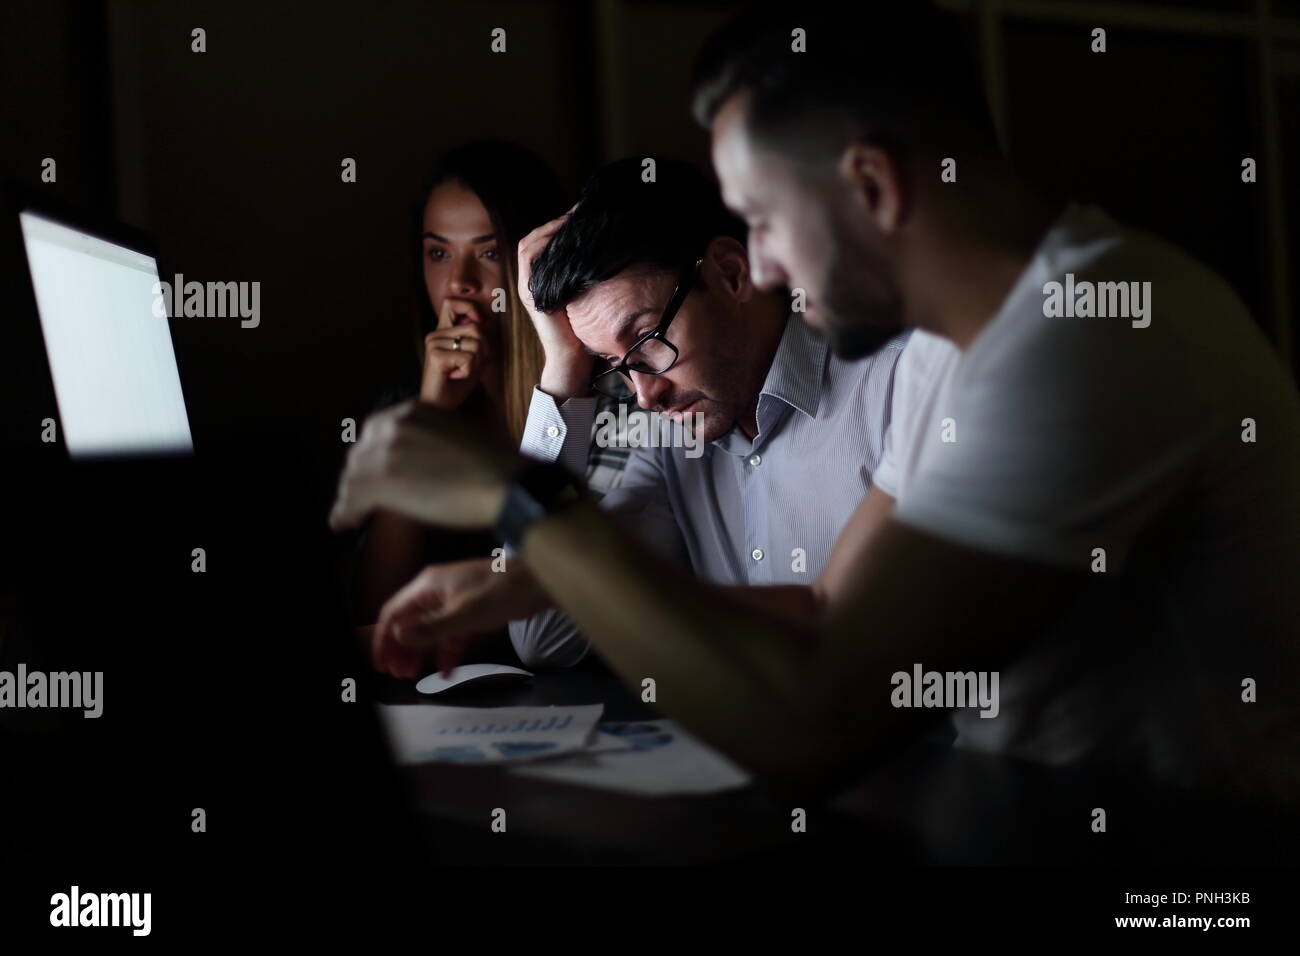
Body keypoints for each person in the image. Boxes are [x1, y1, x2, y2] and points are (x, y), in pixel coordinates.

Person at [332, 6, 1300, 805]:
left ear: (870, 185)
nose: (763, 265)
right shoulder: (956, 344)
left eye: (758, 219)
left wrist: (516, 500)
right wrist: (522, 580)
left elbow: (815, 715)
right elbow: (832, 610)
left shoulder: (1081, 334)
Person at [361, 158, 903, 674]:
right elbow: (544, 638)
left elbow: (865, 640)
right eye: (613, 366)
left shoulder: (896, 387)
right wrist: (564, 370)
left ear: (731, 272)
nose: (644, 394)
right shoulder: (671, 439)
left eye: (647, 340)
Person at [353, 141, 578, 626]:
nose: (459, 281)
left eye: (490, 252)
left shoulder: (602, 391)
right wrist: (431, 413)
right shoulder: (404, 407)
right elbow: (378, 613)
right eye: (438, 252)